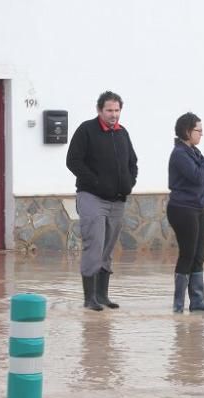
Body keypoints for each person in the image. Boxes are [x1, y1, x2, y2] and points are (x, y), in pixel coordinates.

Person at [66, 91, 138, 311]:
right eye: (109, 110)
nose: (113, 114)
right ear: (99, 110)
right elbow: (73, 161)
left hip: (118, 200)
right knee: (94, 245)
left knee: (107, 248)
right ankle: (89, 299)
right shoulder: (86, 130)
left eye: (116, 110)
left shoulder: (122, 133)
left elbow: (132, 162)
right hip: (92, 197)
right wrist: (95, 182)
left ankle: (102, 295)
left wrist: (129, 182)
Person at [167, 112, 204, 313]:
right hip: (182, 209)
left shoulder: (193, 151)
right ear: (187, 131)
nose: (201, 134)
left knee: (200, 253)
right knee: (188, 253)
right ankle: (178, 305)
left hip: (197, 208)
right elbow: (198, 177)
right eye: (198, 130)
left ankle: (198, 301)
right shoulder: (180, 154)